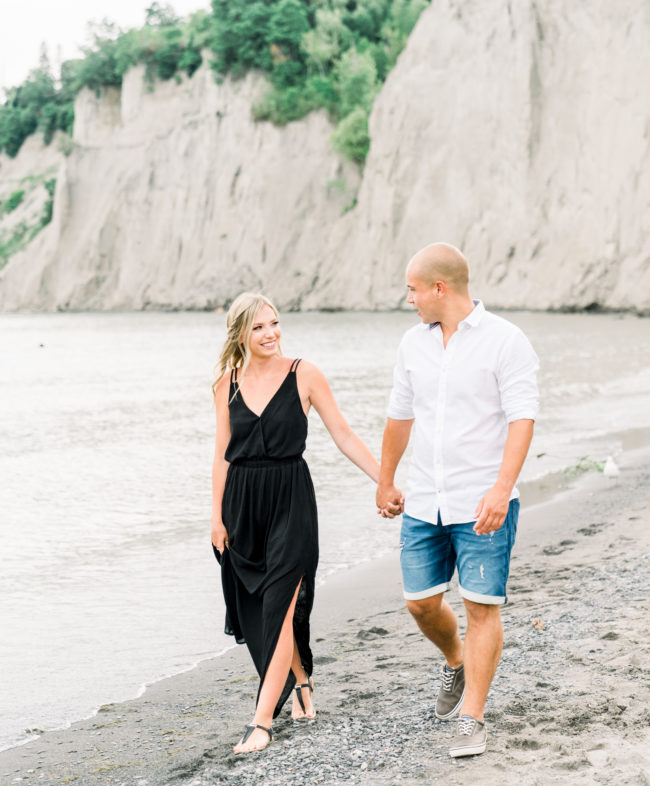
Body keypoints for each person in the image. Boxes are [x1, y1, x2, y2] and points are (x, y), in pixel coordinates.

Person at [376, 243, 539, 758]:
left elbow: (522, 420)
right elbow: (399, 418)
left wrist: (499, 488)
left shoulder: (506, 342)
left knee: (481, 607)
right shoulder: (412, 345)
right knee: (420, 602)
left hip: (481, 501)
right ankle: (455, 660)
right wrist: (386, 480)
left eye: (413, 289)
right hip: (425, 498)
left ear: (439, 288)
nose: (409, 299)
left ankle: (473, 717)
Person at [211, 292, 382, 755]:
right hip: (242, 507)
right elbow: (223, 455)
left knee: (281, 605)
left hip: (291, 500)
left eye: (274, 323)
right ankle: (302, 680)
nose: (270, 334)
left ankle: (261, 721)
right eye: (258, 327)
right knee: (257, 611)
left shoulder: (303, 373)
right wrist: (215, 517)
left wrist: (384, 479)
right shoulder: (225, 383)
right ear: (241, 334)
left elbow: (342, 433)